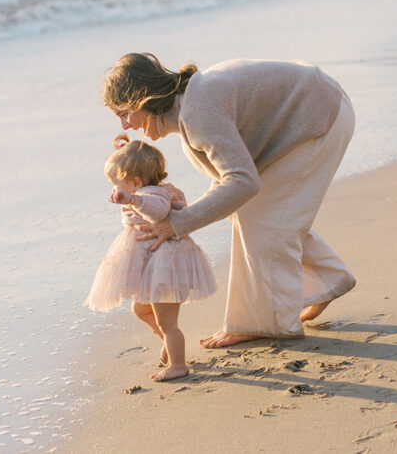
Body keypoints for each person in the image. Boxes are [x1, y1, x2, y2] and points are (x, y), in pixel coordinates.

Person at [103, 53, 356, 349]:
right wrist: (183, 213)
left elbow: (241, 182)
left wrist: (179, 224)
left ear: (144, 100)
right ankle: (326, 280)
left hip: (318, 114)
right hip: (314, 108)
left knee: (265, 221)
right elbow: (229, 182)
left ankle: (264, 323)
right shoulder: (192, 108)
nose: (125, 125)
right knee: (261, 215)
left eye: (124, 113)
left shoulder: (198, 113)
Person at [84, 134, 216, 381]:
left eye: (117, 185)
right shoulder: (148, 192)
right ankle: (167, 341)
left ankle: (178, 365)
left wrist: (134, 200)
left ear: (134, 182)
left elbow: (158, 212)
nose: (115, 190)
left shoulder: (154, 194)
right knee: (140, 309)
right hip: (155, 263)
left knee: (168, 322)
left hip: (165, 264)